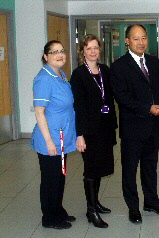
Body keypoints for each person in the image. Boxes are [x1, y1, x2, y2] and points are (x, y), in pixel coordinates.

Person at [110, 24, 159, 224]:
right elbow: (122, 97)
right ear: (127, 41)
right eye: (136, 38)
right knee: (129, 169)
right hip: (132, 128)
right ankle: (133, 207)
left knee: (150, 167)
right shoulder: (119, 66)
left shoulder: (153, 62)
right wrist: (147, 108)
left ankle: (151, 202)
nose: (141, 42)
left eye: (144, 38)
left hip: (153, 126)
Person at [70, 34, 118, 228]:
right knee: (91, 168)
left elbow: (111, 97)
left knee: (100, 167)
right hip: (89, 130)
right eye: (88, 48)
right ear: (83, 52)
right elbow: (78, 106)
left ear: (100, 50)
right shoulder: (79, 74)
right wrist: (79, 134)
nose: (92, 51)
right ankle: (91, 210)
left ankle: (96, 202)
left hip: (105, 128)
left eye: (95, 47)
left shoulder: (105, 70)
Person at [30, 40, 76, 229]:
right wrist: (49, 142)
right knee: (50, 180)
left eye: (62, 51)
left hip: (62, 136)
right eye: (54, 52)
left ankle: (57, 210)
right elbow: (40, 112)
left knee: (60, 176)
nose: (60, 55)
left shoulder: (61, 74)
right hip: (49, 138)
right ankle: (49, 218)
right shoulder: (44, 78)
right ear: (45, 56)